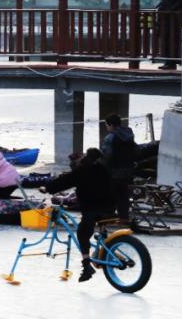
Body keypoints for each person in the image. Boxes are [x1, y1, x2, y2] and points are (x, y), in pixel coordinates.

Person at [43, 148, 114, 283]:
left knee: (82, 234)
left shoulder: (82, 171)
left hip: (92, 208)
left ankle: (87, 265)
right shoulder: (104, 169)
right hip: (109, 207)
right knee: (100, 225)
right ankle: (104, 249)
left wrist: (47, 188)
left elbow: (64, 181)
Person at [101, 114, 137, 223]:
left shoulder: (110, 137)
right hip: (128, 172)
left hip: (114, 172)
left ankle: (108, 217)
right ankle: (124, 218)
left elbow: (107, 156)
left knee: (109, 194)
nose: (107, 128)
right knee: (123, 195)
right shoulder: (129, 136)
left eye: (106, 125)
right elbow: (136, 151)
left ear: (111, 125)